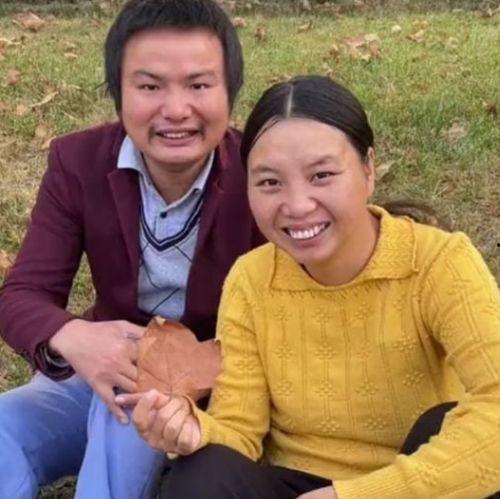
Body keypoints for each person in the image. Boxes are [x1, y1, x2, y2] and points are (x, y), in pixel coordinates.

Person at [125, 75, 500, 499]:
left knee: (447, 425)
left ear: (368, 170)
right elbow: (239, 431)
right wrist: (194, 430)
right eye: (270, 182)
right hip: (296, 484)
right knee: (202, 473)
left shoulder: (437, 263)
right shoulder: (252, 280)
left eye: (321, 175)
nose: (298, 205)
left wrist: (355, 496)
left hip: (412, 484)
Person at [0, 0, 263, 497]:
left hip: (216, 395)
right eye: (149, 86)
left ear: (230, 93)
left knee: (129, 400)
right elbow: (22, 295)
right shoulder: (78, 161)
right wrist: (74, 336)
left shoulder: (261, 173)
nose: (176, 109)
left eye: (199, 85)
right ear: (118, 93)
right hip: (102, 372)